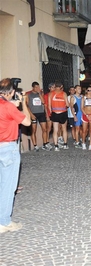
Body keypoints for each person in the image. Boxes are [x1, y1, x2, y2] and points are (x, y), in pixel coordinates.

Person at [0, 78, 31, 234]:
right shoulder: (8, 107)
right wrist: (23, 103)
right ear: (11, 92)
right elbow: (27, 122)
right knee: (8, 186)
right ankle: (4, 222)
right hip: (8, 148)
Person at [25, 81, 50, 151]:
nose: (38, 88)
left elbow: (43, 102)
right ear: (33, 87)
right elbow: (26, 105)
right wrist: (31, 114)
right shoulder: (28, 95)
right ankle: (35, 145)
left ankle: (45, 144)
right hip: (33, 113)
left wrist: (40, 94)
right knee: (33, 130)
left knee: (44, 129)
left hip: (41, 113)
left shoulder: (40, 94)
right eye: (36, 87)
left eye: (38, 87)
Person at [48, 82, 69, 151]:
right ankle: (65, 144)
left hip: (54, 113)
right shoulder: (64, 93)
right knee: (64, 129)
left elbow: (49, 105)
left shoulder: (51, 93)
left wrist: (51, 112)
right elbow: (67, 104)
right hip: (63, 112)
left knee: (55, 130)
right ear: (61, 86)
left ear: (55, 86)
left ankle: (56, 146)